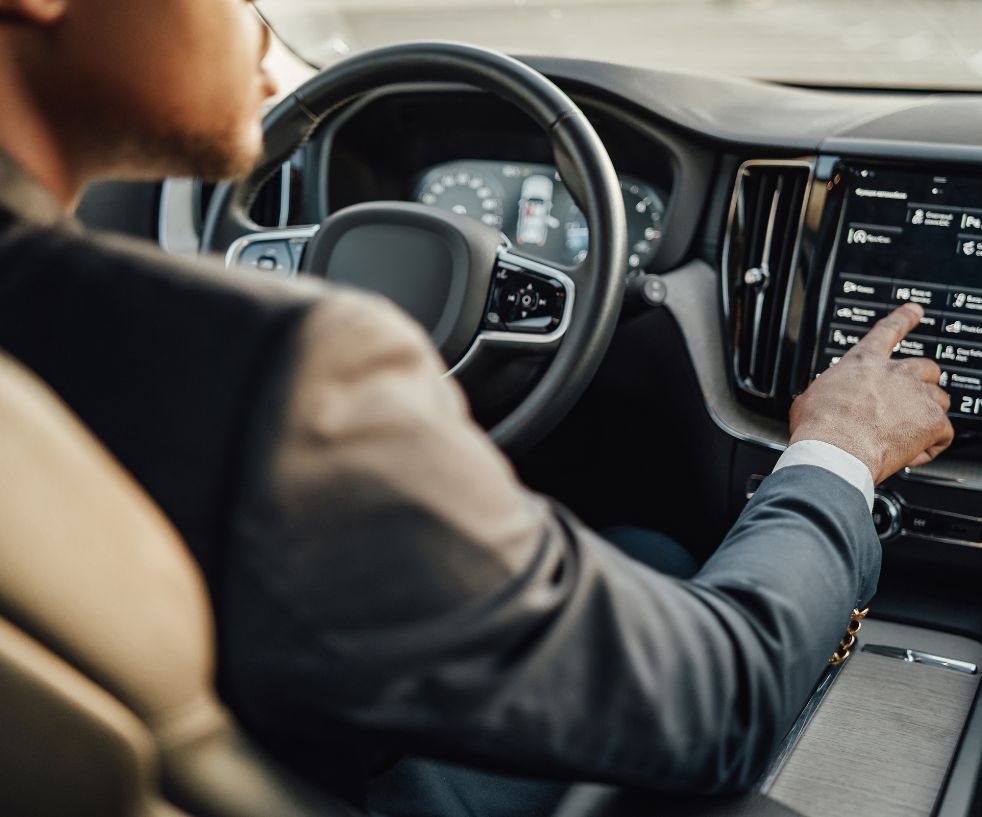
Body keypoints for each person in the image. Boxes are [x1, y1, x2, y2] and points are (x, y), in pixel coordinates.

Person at [0, 0, 954, 814]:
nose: (258, 27)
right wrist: (840, 446)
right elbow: (722, 701)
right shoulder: (290, 365)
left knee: (651, 553)